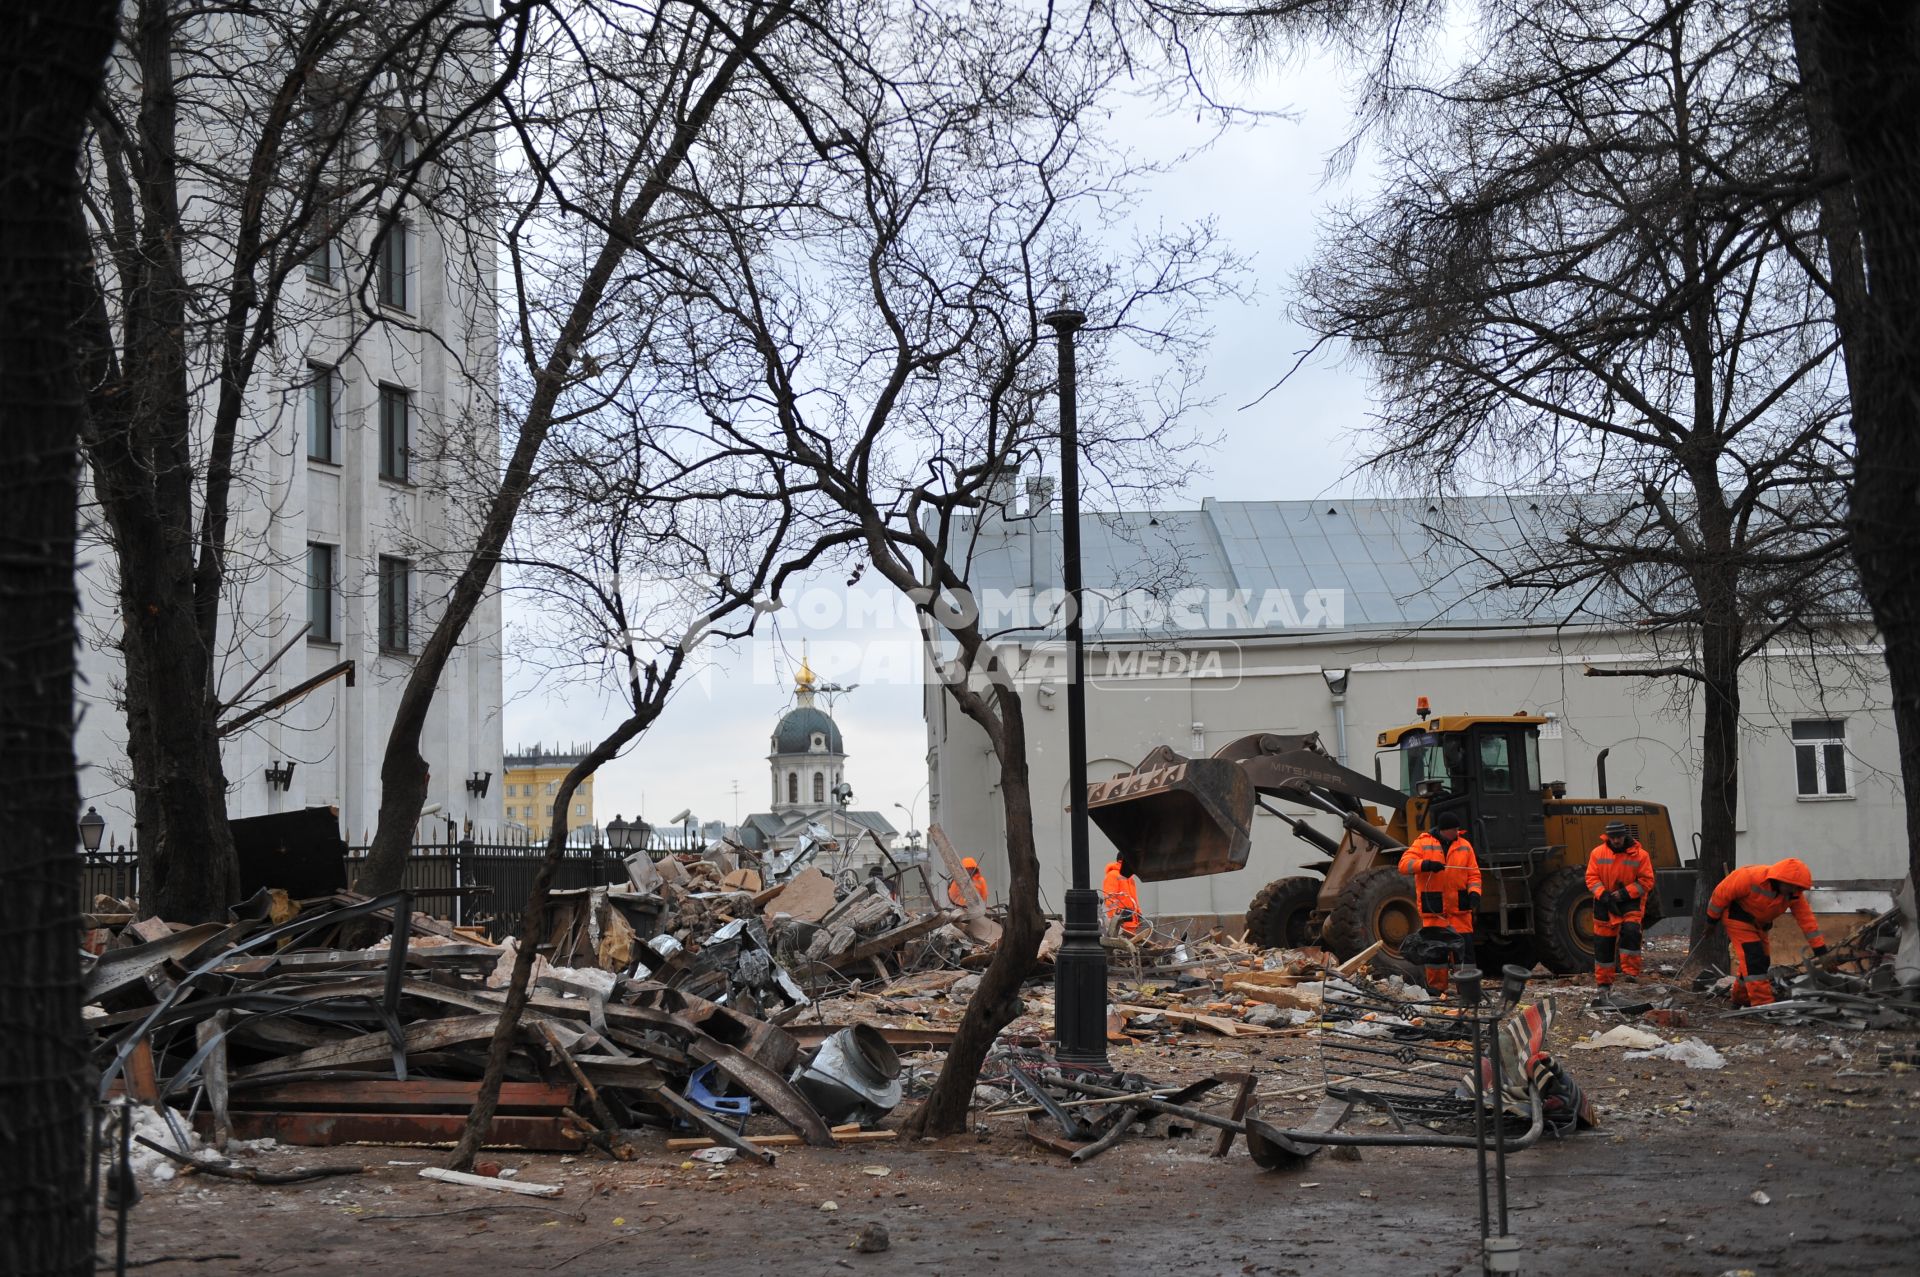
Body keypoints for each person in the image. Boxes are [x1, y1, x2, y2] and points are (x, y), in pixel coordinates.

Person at [1706, 857, 1827, 1007]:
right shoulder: (1748, 877)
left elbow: (1807, 921)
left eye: (1798, 888)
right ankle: (1763, 1004)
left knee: (1760, 963)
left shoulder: (1793, 894)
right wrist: (1711, 921)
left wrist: (1821, 952)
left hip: (1760, 926)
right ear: (1779, 880)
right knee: (1754, 959)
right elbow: (1719, 896)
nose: (1795, 891)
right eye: (1793, 887)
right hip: (1738, 920)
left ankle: (1741, 999)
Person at [1397, 811, 1481, 995]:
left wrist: (1475, 893)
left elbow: (1474, 874)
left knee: (1465, 954)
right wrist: (1425, 865)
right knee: (1436, 955)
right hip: (1434, 910)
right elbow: (1404, 865)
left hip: (1460, 909)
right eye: (1454, 829)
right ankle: (1436, 991)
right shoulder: (1422, 843)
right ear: (1444, 830)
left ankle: (1467, 990)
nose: (1457, 832)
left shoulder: (1465, 846)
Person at [1585, 820, 1656, 992]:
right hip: (1604, 902)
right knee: (1603, 944)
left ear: (1625, 835)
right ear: (1607, 837)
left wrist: (1624, 893)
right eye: (1613, 837)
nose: (1616, 840)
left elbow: (1646, 881)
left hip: (1630, 900)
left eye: (1618, 837)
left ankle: (1630, 973)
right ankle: (1603, 983)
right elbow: (1591, 878)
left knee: (1631, 931)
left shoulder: (1641, 855)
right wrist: (1604, 895)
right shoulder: (1597, 853)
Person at [1102, 859, 1143, 934]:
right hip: (1121, 924)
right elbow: (1110, 900)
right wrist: (1117, 918)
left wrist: (1138, 913)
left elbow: (1133, 898)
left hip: (1131, 921)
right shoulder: (1113, 875)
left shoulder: (1130, 878)